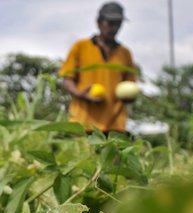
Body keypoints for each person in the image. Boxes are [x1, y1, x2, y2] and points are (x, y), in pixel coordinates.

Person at [59, 2, 137, 135]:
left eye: (118, 23)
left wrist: (130, 96)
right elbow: (67, 79)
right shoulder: (81, 47)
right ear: (99, 23)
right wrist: (79, 93)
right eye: (110, 23)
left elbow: (130, 84)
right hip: (83, 123)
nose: (114, 28)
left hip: (115, 125)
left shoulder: (125, 53)